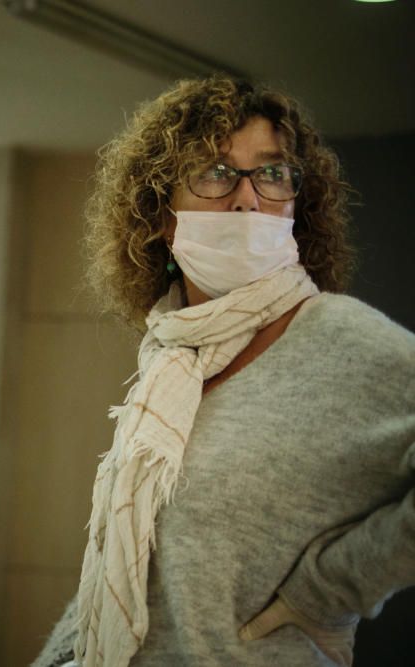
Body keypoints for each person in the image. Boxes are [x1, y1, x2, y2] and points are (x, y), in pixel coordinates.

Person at [32, 76, 414, 667]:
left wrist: (332, 585)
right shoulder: (171, 361)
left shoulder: (339, 339)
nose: (246, 199)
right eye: (213, 170)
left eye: (271, 172)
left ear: (297, 205)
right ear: (160, 215)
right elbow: (138, 574)